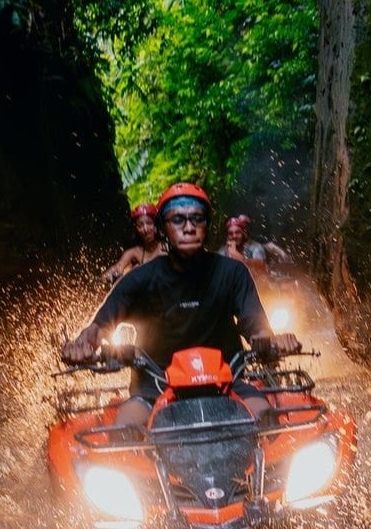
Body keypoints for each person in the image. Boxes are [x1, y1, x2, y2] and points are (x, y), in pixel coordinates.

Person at [61, 183, 298, 429]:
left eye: (197, 218)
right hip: (154, 388)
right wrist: (83, 345)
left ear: (207, 226)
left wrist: (273, 340)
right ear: (163, 228)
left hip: (227, 383)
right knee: (122, 431)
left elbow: (256, 327)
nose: (188, 227)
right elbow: (99, 327)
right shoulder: (139, 279)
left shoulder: (233, 273)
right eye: (178, 220)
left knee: (269, 423)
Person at [100, 204, 167, 284]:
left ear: (156, 225)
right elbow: (118, 267)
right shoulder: (134, 252)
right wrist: (110, 273)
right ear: (136, 229)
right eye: (140, 225)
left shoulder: (167, 247)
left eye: (149, 223)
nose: (145, 229)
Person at [222, 214, 291, 282]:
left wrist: (283, 254)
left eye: (246, 225)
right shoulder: (228, 244)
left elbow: (272, 248)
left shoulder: (256, 240)